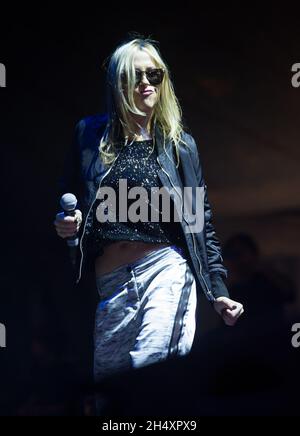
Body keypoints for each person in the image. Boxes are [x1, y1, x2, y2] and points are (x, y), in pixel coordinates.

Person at [54, 35, 244, 383]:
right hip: (110, 287)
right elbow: (70, 197)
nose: (145, 83)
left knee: (152, 376)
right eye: (135, 76)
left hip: (165, 273)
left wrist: (218, 291)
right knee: (114, 395)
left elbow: (201, 225)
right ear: (118, 83)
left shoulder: (179, 147)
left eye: (153, 75)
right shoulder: (89, 135)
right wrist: (69, 222)